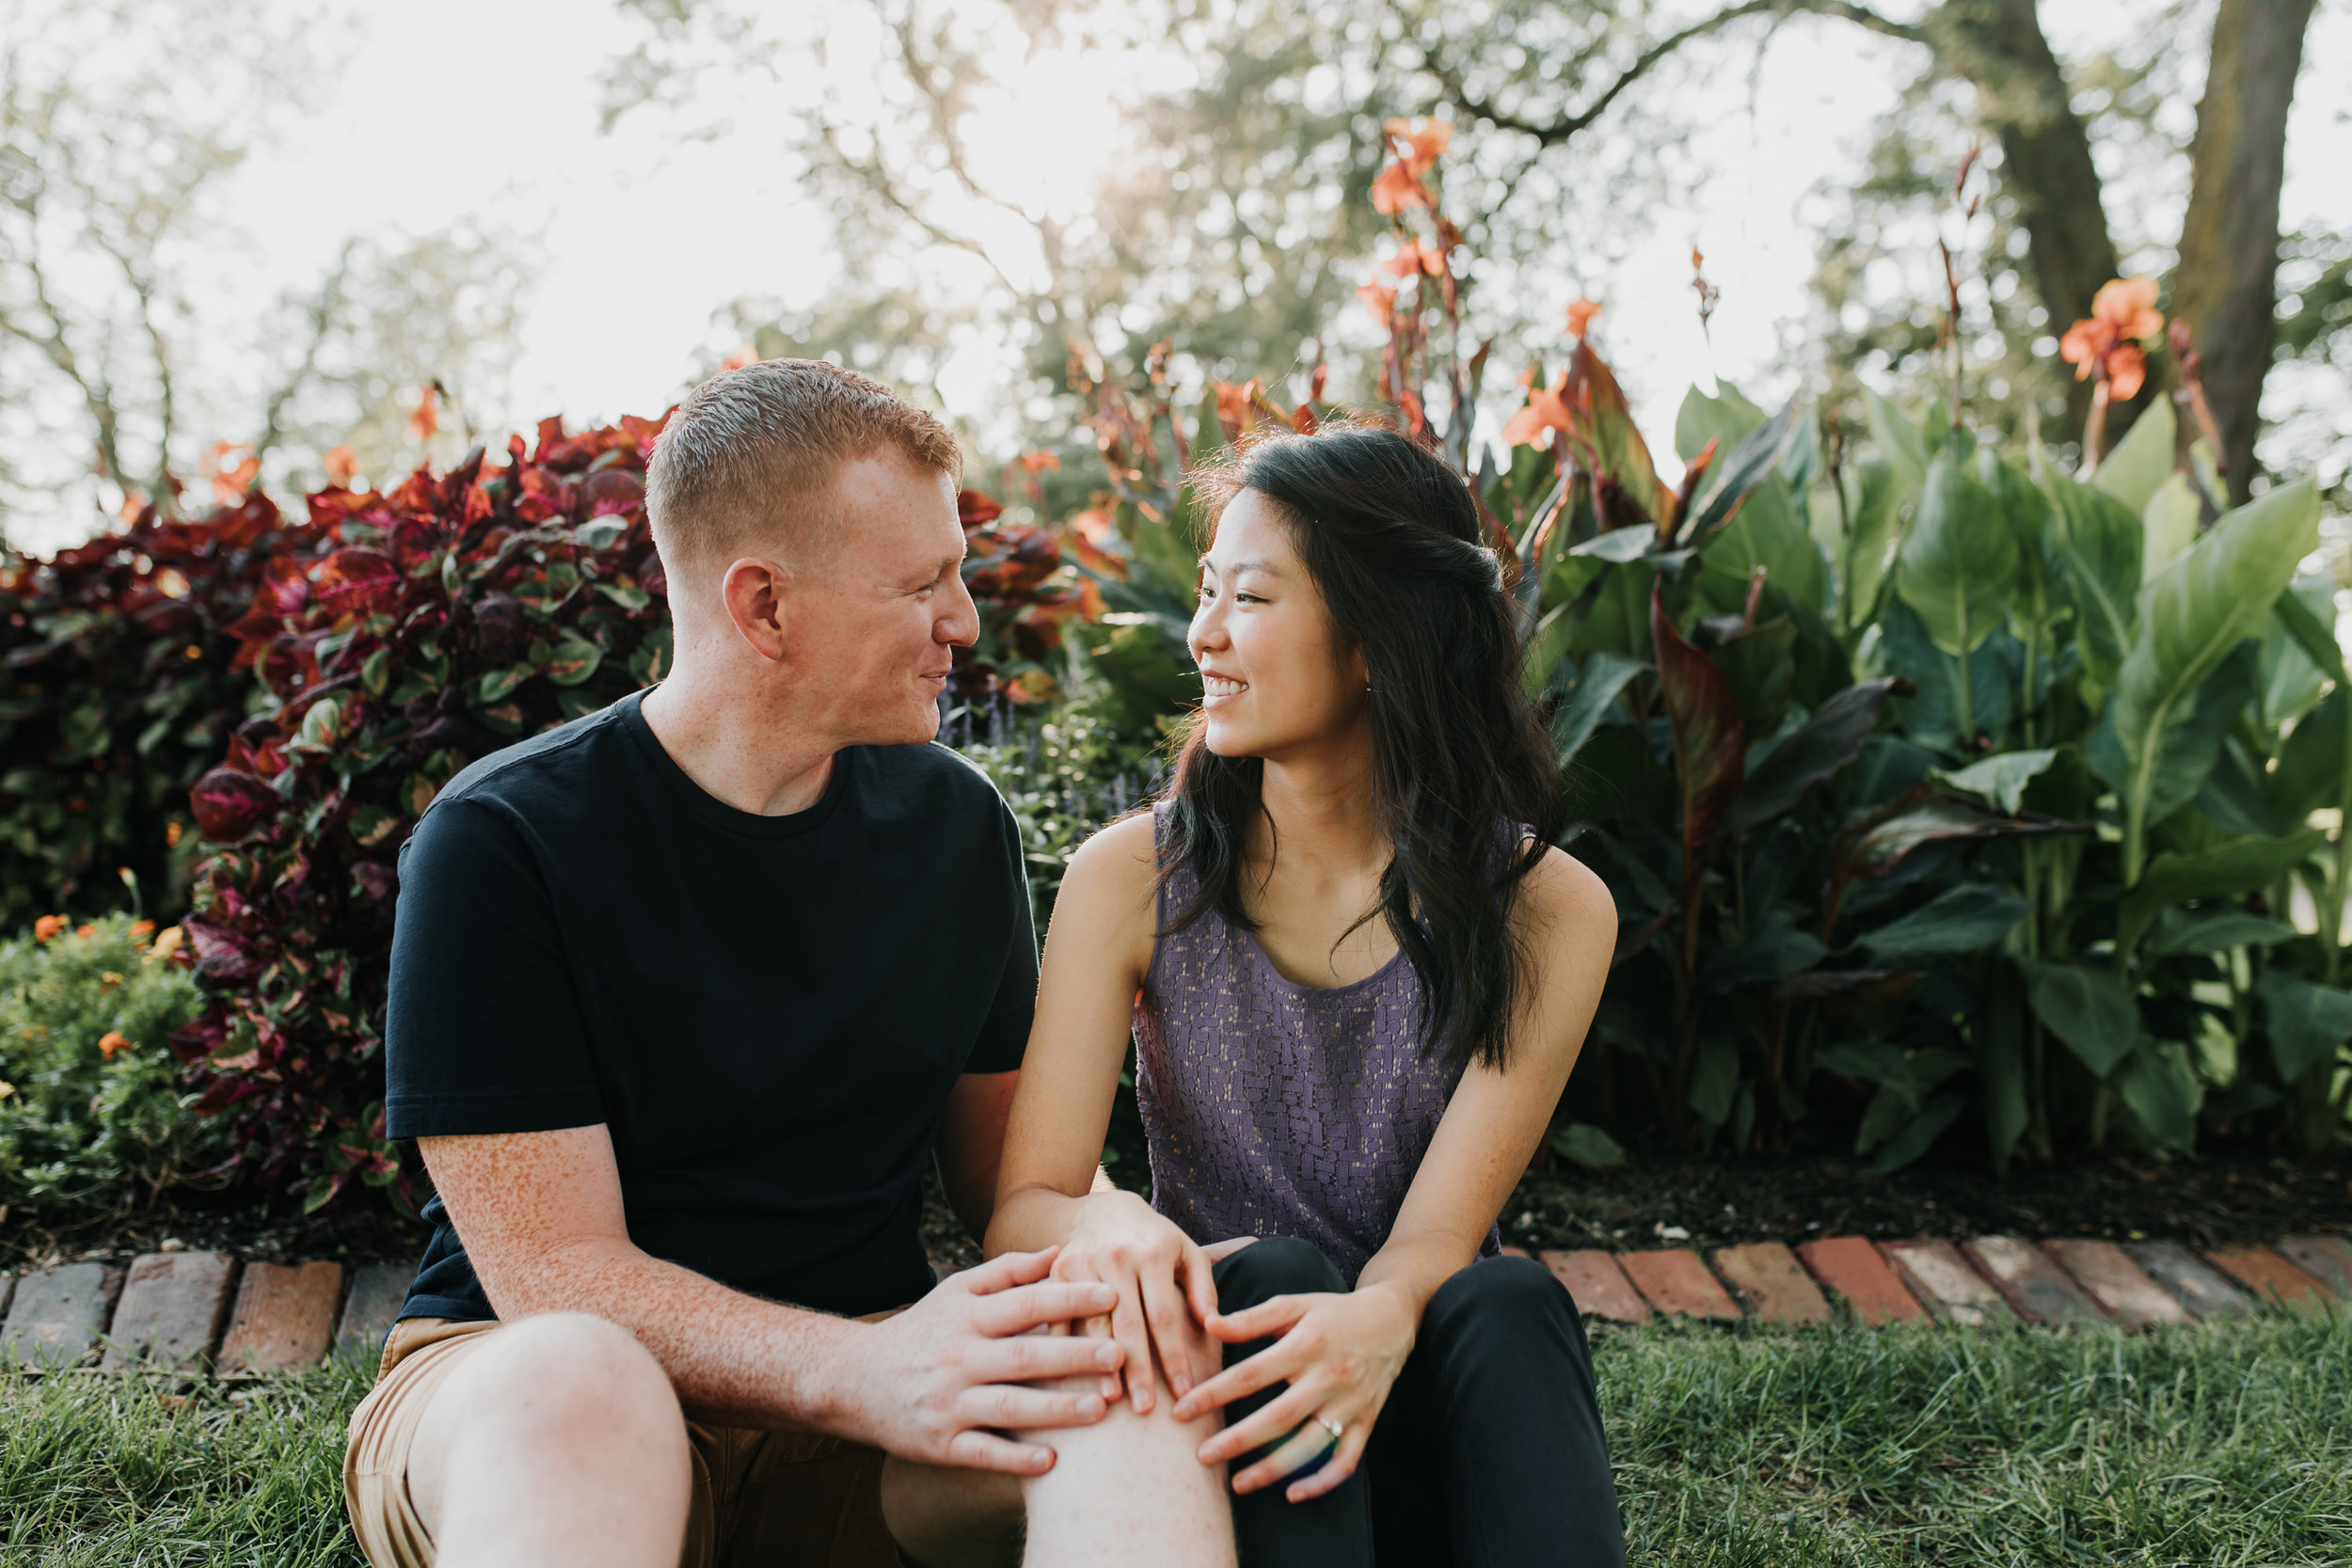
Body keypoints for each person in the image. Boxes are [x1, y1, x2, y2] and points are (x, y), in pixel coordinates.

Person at [343, 359, 1237, 1568]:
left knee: (1126, 1375)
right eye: (924, 582)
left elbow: (1005, 1185)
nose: (963, 619)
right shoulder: (503, 841)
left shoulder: (955, 826)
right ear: (763, 606)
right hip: (538, 1390)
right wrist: (862, 1368)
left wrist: (1107, 1227)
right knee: (580, 1374)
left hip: (870, 1405)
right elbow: (556, 1274)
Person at [985, 422, 1627, 1566]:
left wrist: (1374, 1322)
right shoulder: (1131, 878)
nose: (1203, 632)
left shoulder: (1545, 906)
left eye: (1252, 597)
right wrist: (1112, 1219)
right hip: (1232, 1414)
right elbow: (1026, 1202)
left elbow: (1437, 1236)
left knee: (1509, 1301)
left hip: (1414, 1380)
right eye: (1205, 590)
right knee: (1269, 1270)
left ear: (1378, 640)